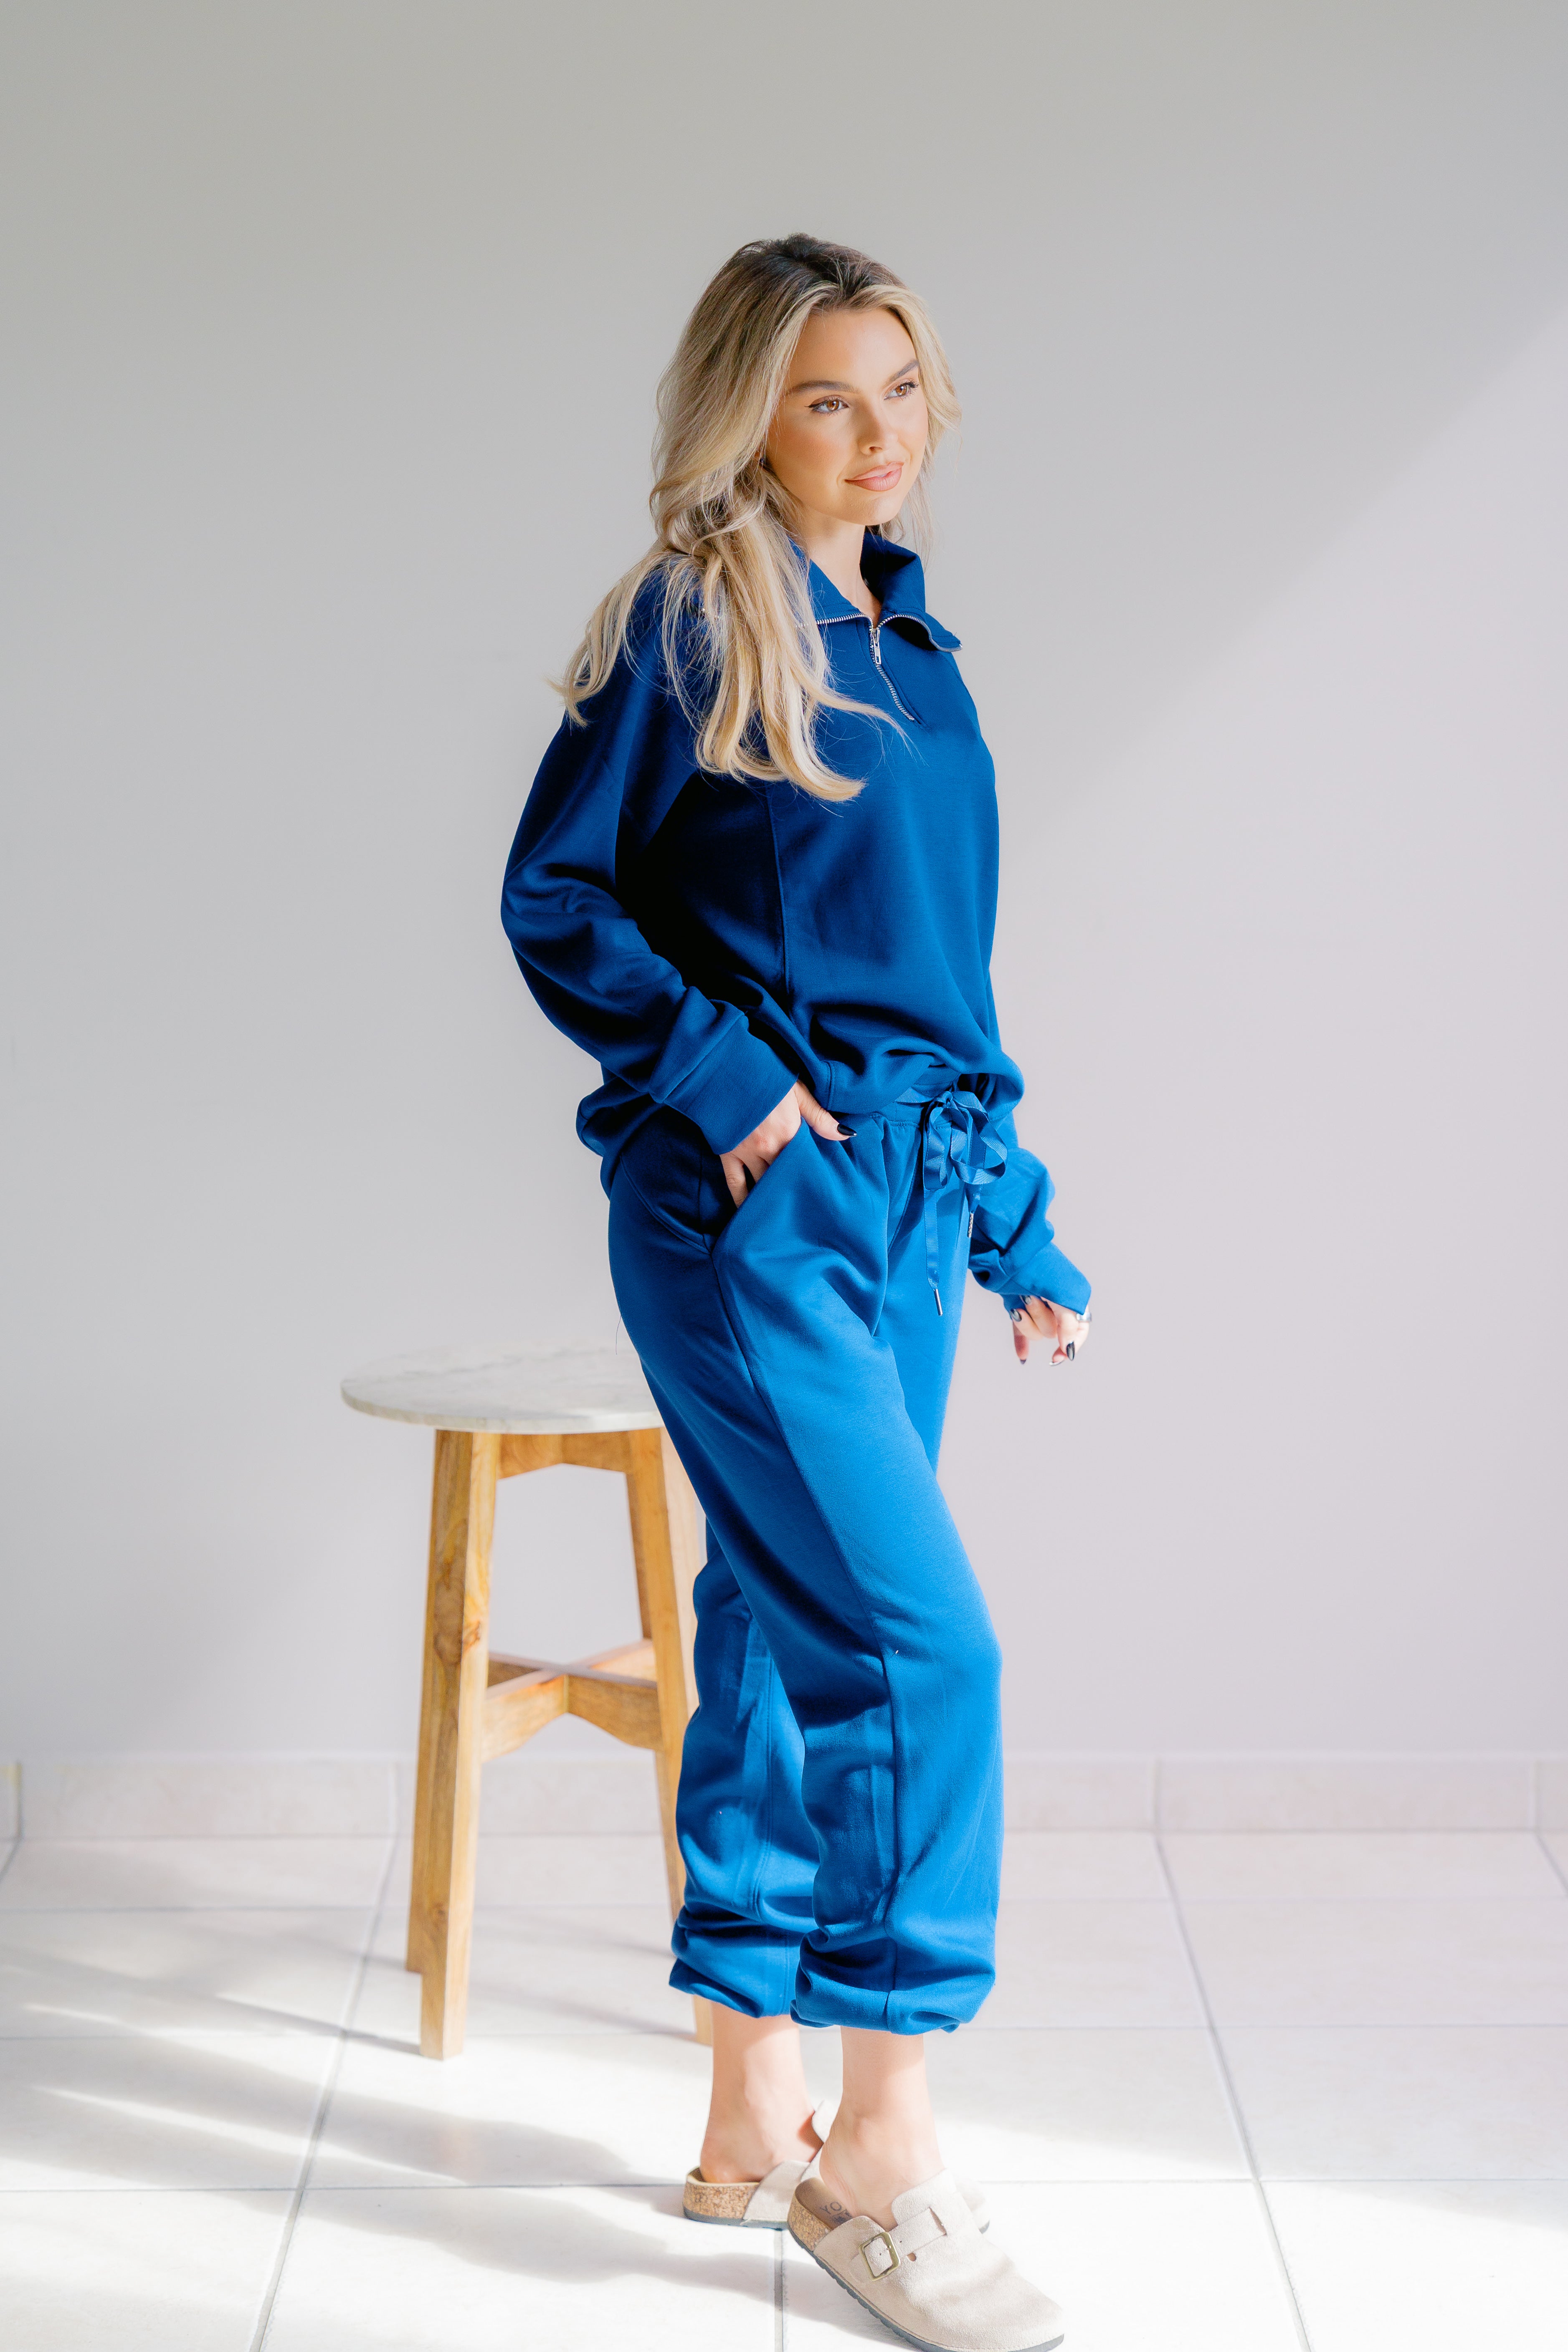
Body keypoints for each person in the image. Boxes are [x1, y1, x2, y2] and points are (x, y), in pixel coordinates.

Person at [502, 233, 1089, 2352]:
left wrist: (1008, 1206)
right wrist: (737, 1090)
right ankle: (888, 2144)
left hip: (914, 1202)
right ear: (751, 405)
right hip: (754, 1202)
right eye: (833, 395)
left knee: (769, 1607)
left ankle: (748, 2091)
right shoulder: (690, 615)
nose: (879, 434)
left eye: (906, 390)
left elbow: (941, 968)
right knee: (922, 1648)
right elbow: (553, 893)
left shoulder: (916, 641)